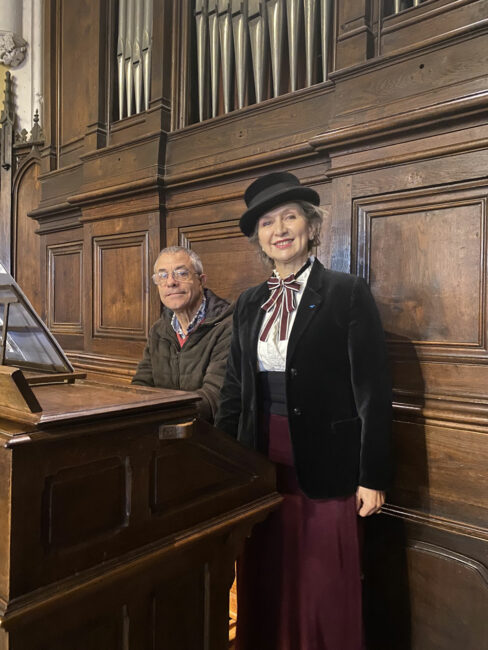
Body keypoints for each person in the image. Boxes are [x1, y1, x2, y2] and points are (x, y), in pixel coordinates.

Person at [215, 172, 393, 650]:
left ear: (311, 227)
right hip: (262, 462)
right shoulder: (250, 302)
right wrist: (224, 467)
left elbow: (372, 391)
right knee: (268, 571)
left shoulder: (345, 291)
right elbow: (235, 389)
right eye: (268, 223)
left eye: (289, 217)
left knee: (323, 578)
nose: (280, 230)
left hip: (328, 464)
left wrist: (372, 475)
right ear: (259, 239)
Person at [132, 246, 233, 423]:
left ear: (201, 281)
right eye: (162, 276)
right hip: (163, 430)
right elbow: (142, 385)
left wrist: (157, 416)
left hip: (209, 437)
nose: (170, 282)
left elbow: (213, 398)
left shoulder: (227, 325)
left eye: (181, 274)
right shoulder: (159, 329)